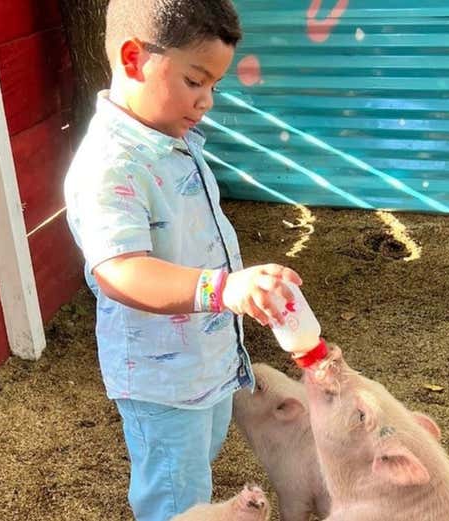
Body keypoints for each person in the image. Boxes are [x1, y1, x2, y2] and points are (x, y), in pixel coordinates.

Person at [63, 1, 301, 519]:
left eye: (213, 85)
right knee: (177, 500)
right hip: (164, 382)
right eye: (195, 81)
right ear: (133, 58)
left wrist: (245, 282)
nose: (207, 101)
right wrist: (224, 290)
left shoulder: (171, 140)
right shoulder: (112, 165)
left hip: (207, 363)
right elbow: (121, 269)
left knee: (196, 468)